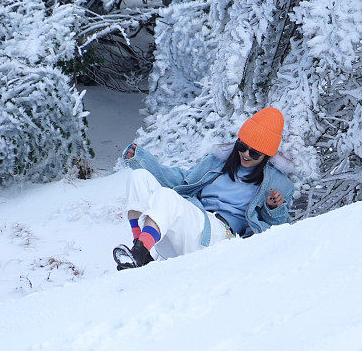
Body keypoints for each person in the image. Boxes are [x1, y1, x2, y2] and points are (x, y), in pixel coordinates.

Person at [112, 107, 293, 270]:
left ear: (267, 155)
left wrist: (274, 209)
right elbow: (184, 181)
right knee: (139, 176)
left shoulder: (276, 183)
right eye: (242, 147)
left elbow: (278, 233)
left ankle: (139, 253)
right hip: (190, 227)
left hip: (220, 238)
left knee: (167, 197)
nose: (245, 154)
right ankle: (139, 250)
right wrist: (143, 161)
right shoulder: (218, 162)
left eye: (254, 152)